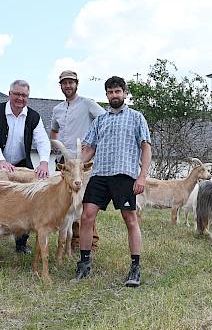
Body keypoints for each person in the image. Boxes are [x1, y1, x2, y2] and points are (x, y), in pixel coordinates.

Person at [75, 76, 151, 287]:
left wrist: (142, 176)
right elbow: (89, 149)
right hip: (100, 174)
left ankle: (135, 267)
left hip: (125, 175)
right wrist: (75, 165)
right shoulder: (100, 120)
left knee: (130, 219)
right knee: (87, 215)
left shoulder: (137, 118)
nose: (114, 95)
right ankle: (84, 262)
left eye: (118, 91)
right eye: (110, 92)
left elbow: (146, 147)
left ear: (125, 93)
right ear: (106, 94)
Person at [0, 79, 51, 254]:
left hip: (21, 164)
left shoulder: (34, 116)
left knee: (27, 202)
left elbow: (42, 140)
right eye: (17, 94)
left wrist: (43, 162)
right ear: (9, 94)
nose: (20, 98)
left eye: (24, 95)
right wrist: (1, 161)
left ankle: (21, 243)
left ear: (28, 97)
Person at [50, 70, 105, 251]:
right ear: (61, 86)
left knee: (84, 201)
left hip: (82, 162)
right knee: (67, 200)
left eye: (71, 82)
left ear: (77, 84)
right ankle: (72, 241)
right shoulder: (57, 109)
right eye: (64, 83)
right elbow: (54, 131)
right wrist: (56, 148)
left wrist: (92, 145)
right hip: (65, 163)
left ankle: (91, 242)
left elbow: (105, 121)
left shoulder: (87, 104)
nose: (68, 86)